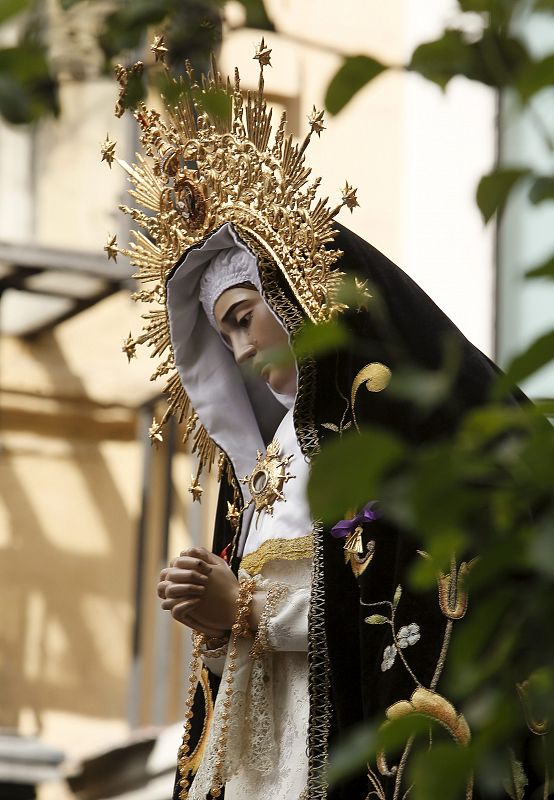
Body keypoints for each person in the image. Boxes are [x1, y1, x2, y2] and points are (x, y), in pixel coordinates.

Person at [111, 41, 538, 800]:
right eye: (225, 334)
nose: (240, 347)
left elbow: (400, 591)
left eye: (246, 318)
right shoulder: (261, 468)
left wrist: (239, 608)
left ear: (300, 297)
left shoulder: (379, 433)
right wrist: (216, 628)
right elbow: (240, 684)